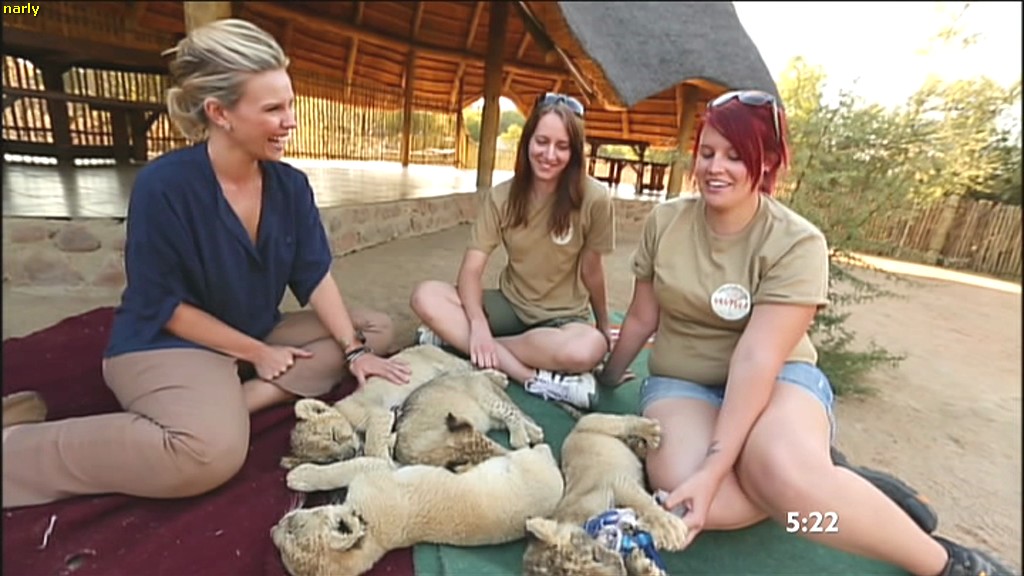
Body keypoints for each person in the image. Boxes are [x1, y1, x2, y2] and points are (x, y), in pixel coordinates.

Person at [597, 90, 1016, 576]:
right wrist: (606, 377)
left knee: (781, 477)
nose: (716, 167)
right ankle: (831, 485)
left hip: (776, 378)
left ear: (767, 162)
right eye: (707, 153)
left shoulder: (796, 241)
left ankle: (948, 563)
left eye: (735, 156)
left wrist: (716, 466)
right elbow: (642, 317)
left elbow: (757, 358)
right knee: (688, 493)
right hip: (683, 382)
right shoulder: (666, 221)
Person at [1, 19, 411, 509]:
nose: (291, 121)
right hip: (168, 342)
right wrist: (257, 354)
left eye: (290, 105)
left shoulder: (290, 186)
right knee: (209, 455)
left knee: (375, 330)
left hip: (254, 330)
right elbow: (165, 307)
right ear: (220, 113)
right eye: (273, 109)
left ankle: (233, 403)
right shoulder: (164, 186)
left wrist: (354, 354)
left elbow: (314, 275)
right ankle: (18, 448)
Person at [410, 93, 614, 410]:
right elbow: (471, 270)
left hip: (562, 320)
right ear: (527, 141)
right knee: (426, 296)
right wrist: (478, 323)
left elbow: (592, 271)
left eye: (562, 146)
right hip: (510, 306)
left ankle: (459, 342)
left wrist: (603, 327)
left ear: (574, 152)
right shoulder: (501, 196)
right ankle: (531, 377)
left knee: (585, 350)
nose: (549, 155)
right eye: (541, 142)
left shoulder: (595, 199)